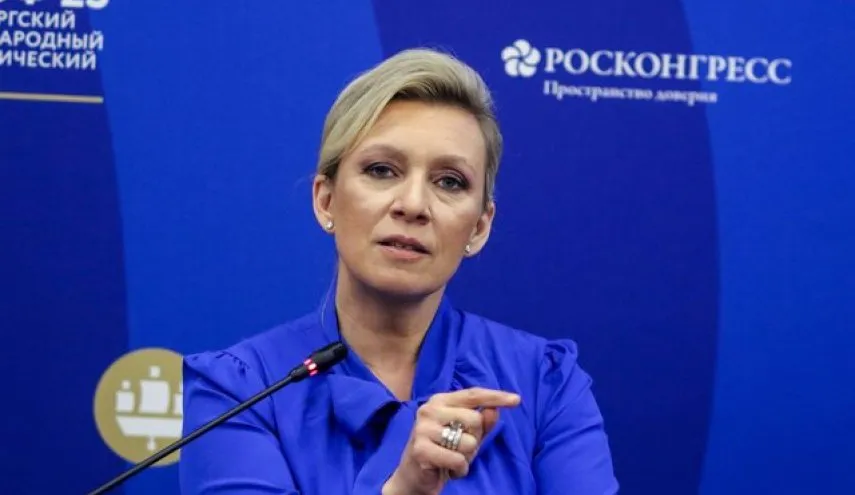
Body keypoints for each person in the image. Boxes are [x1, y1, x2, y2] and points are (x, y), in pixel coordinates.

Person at [179, 47, 619, 495]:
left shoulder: (545, 384)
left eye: (449, 181)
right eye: (381, 170)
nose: (412, 204)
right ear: (326, 201)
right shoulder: (238, 390)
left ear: (479, 227)